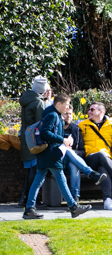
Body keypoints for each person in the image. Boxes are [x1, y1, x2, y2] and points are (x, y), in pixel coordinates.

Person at [22, 94, 92, 219]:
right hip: (51, 153)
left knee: (39, 181)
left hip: (46, 153)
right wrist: (62, 139)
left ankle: (29, 209)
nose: (67, 107)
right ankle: (73, 207)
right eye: (66, 105)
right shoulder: (53, 115)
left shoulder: (52, 114)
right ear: (58, 104)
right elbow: (45, 132)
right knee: (61, 180)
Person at [79, 102, 112, 210]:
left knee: (103, 168)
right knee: (100, 155)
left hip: (107, 159)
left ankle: (107, 200)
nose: (89, 111)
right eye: (89, 109)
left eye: (92, 109)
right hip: (90, 158)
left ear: (101, 112)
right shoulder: (83, 125)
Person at [62, 105, 107, 203]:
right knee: (67, 151)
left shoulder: (76, 130)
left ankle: (75, 197)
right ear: (61, 114)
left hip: (73, 162)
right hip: (60, 160)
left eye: (70, 114)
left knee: (73, 165)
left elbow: (82, 152)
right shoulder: (56, 128)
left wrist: (72, 152)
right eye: (66, 114)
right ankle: (90, 173)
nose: (68, 116)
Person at [18, 76, 48, 207]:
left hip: (26, 137)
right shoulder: (39, 103)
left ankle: (24, 198)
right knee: (35, 170)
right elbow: (41, 123)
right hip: (34, 139)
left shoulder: (27, 99)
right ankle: (29, 199)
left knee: (31, 168)